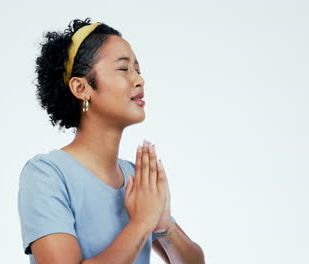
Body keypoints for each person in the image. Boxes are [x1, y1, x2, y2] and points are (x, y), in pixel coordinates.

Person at [18, 17, 205, 264]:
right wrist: (140, 223)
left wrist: (163, 228)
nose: (139, 80)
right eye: (123, 68)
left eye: (138, 70)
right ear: (81, 88)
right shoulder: (46, 174)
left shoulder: (136, 177)